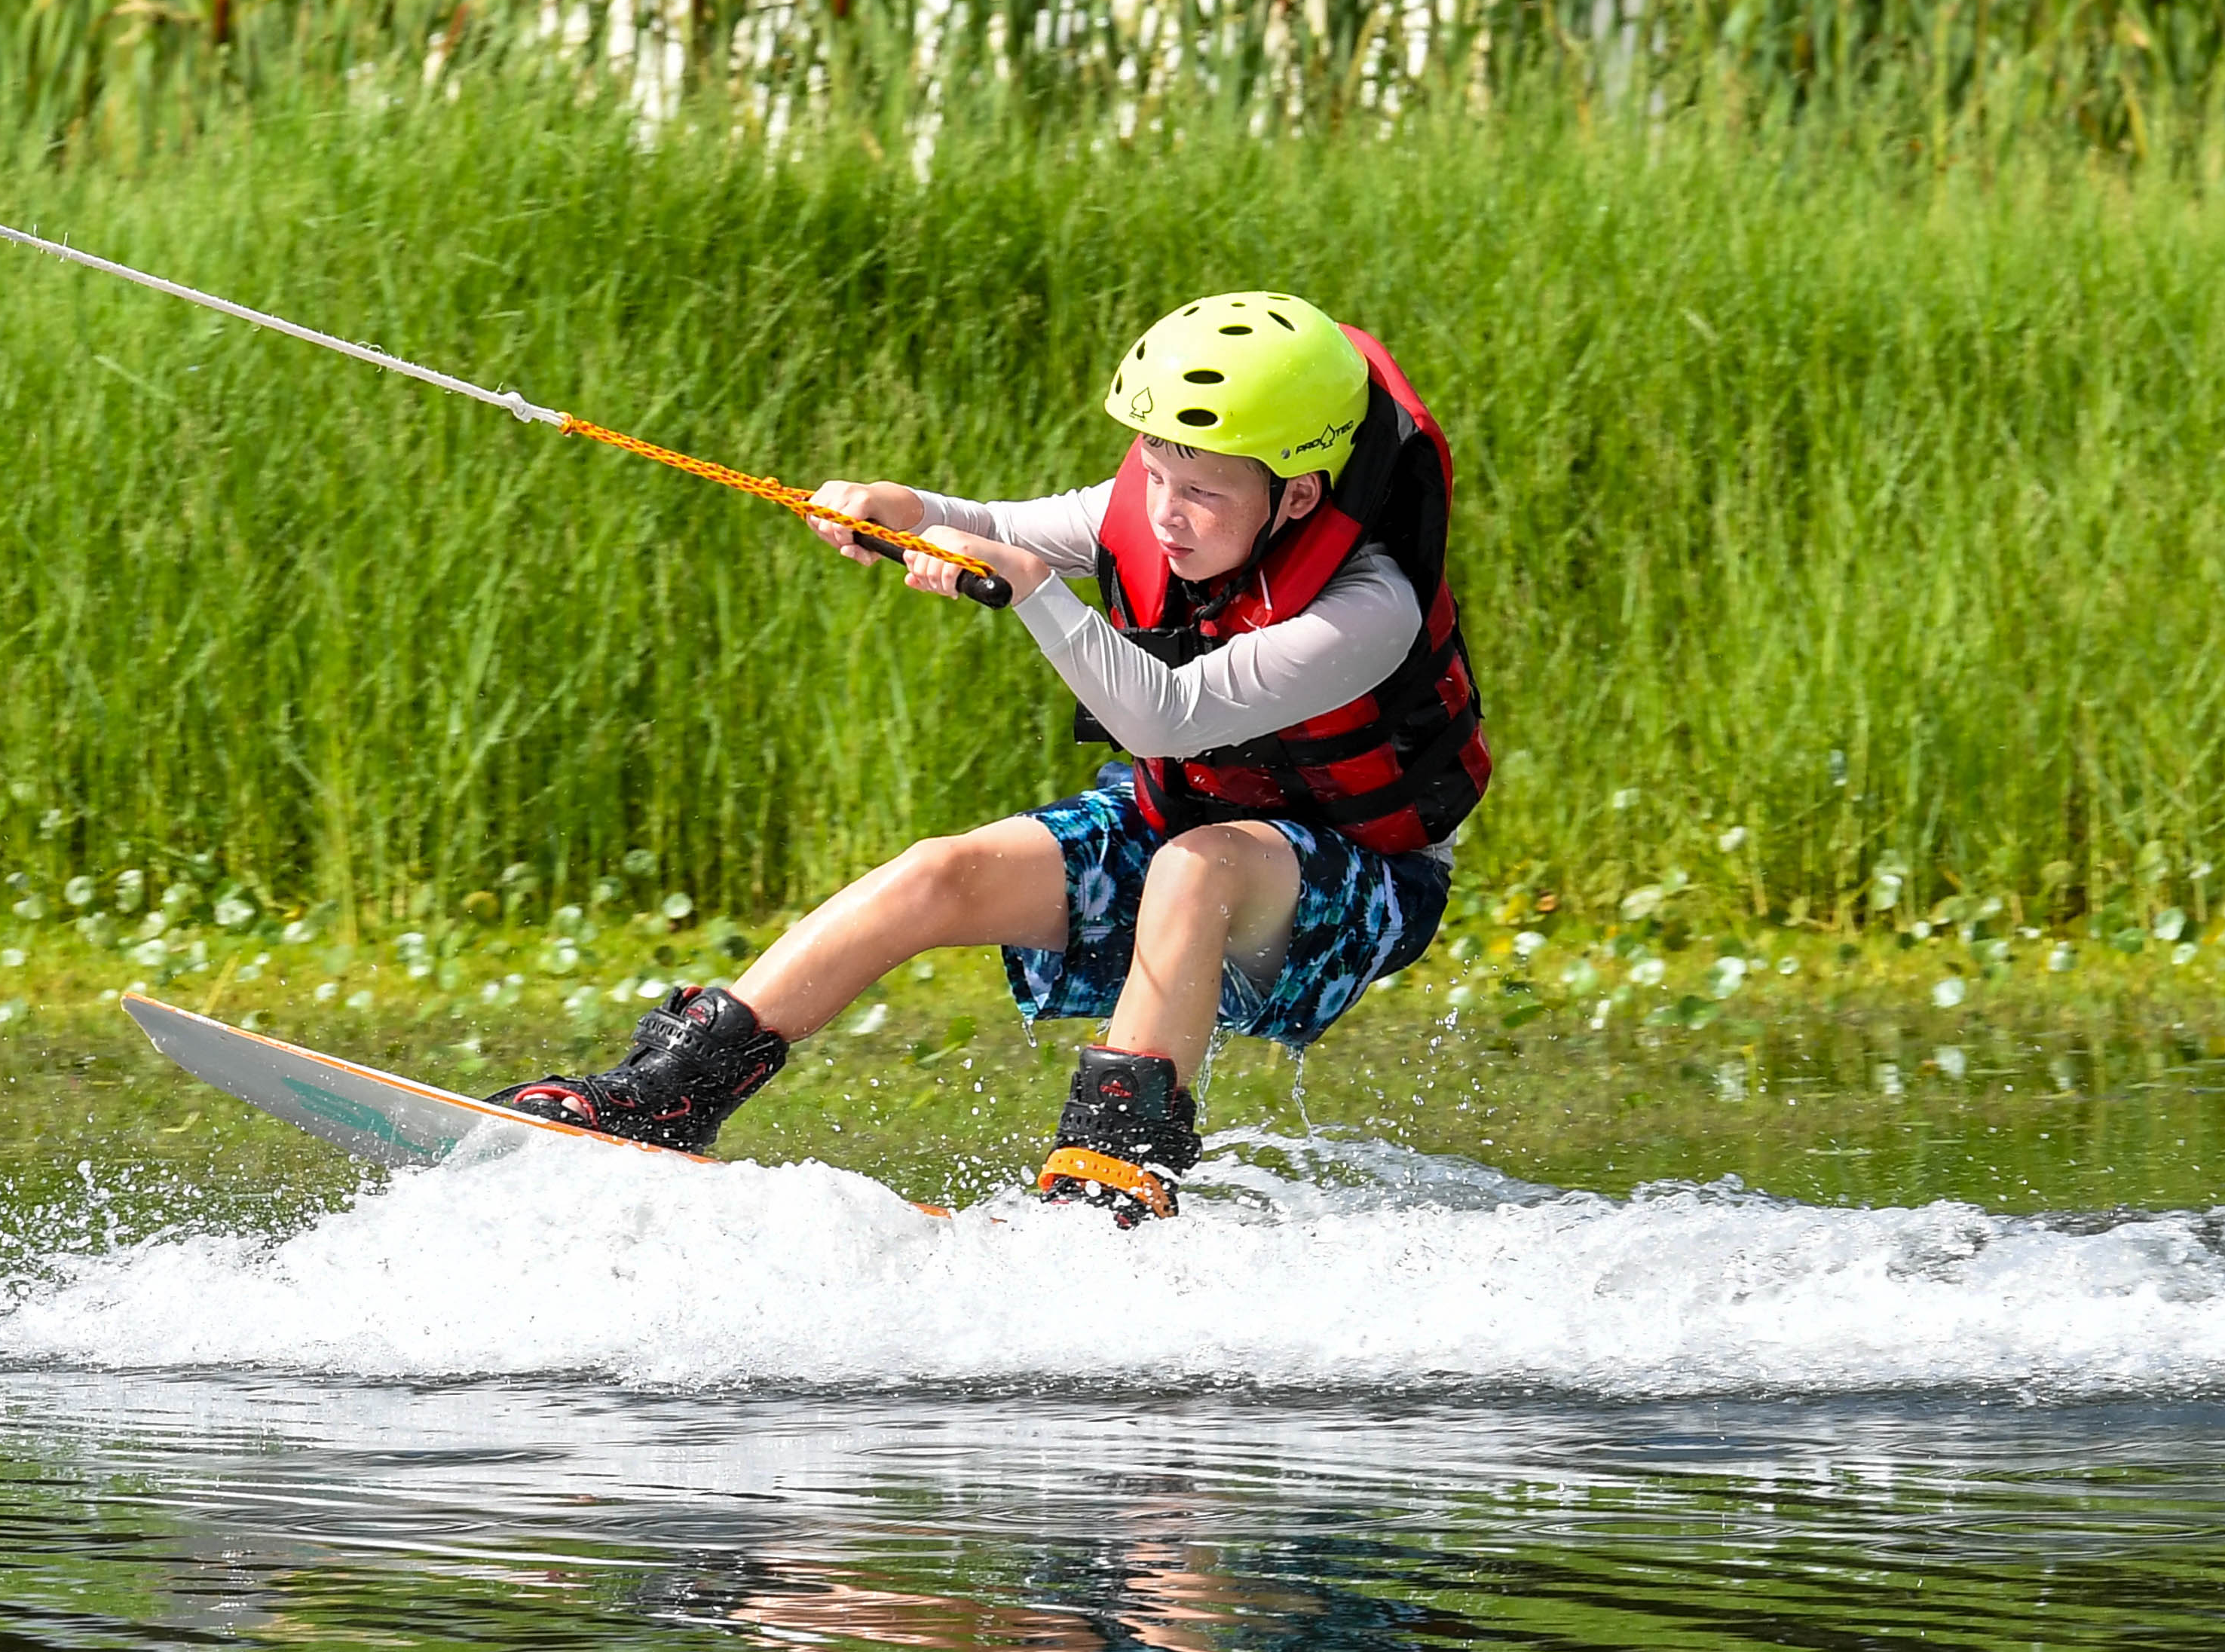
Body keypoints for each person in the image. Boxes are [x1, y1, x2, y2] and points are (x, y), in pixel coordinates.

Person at [502, 295, 1488, 1222]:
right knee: (943, 872)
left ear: (1298, 494)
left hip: (1357, 891)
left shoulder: (1370, 606)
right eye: (1150, 475)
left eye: (1199, 493)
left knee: (1202, 869)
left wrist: (1036, 595)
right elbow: (1004, 527)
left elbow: (1166, 716)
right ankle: (668, 1093)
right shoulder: (1157, 504)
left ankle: (1112, 1181)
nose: (1162, 513)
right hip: (1176, 826)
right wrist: (903, 505)